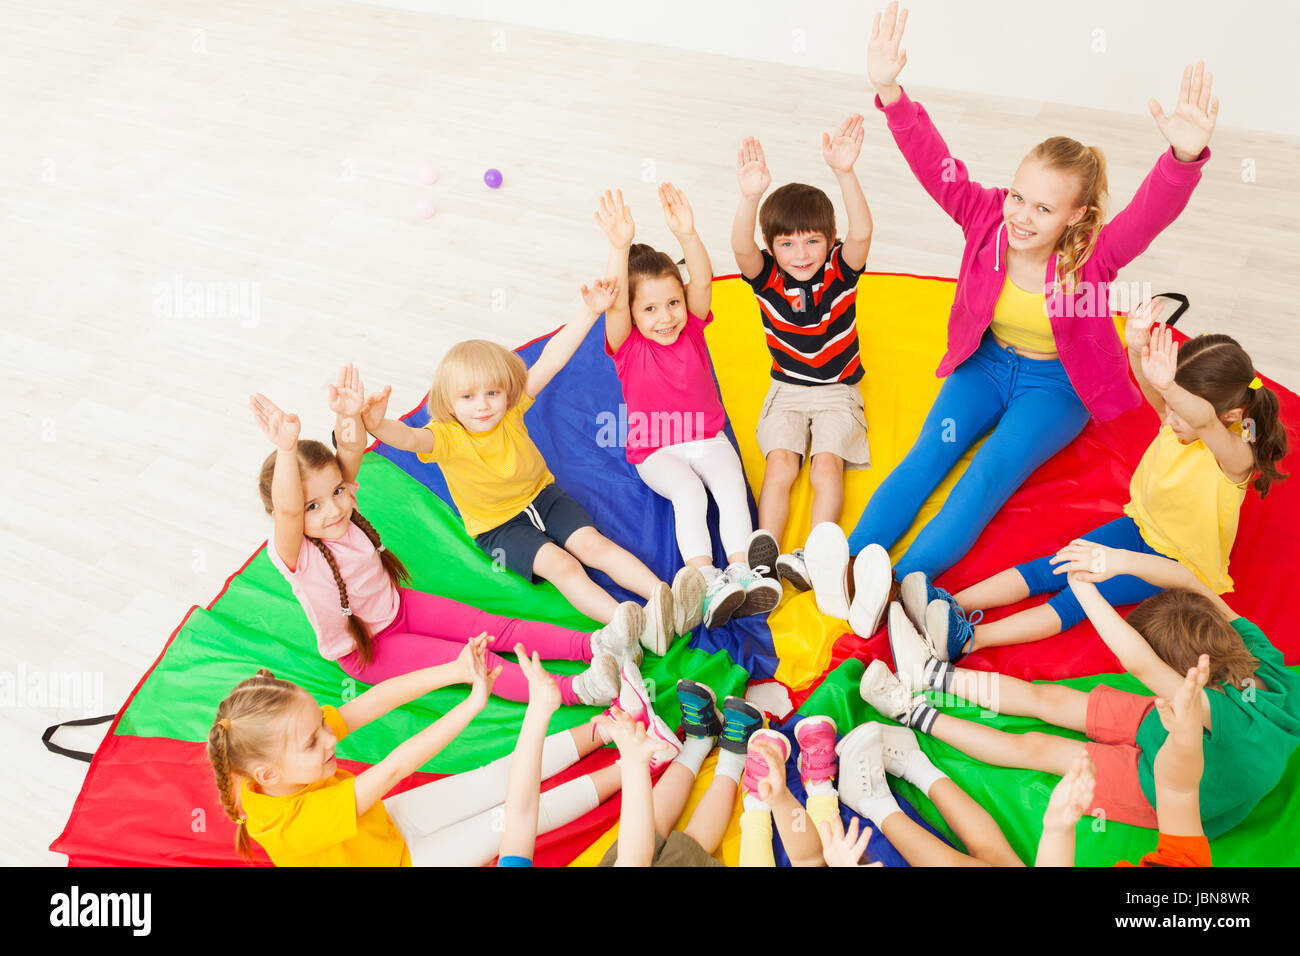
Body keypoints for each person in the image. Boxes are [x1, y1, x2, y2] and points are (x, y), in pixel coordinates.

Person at [815, 3, 1219, 611]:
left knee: (986, 477)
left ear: (1076, 216)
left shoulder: (1096, 254)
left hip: (1055, 387)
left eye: (1044, 209)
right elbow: (937, 167)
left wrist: (1182, 161)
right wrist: (890, 92)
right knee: (931, 453)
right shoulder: (987, 217)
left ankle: (896, 584)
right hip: (985, 364)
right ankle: (845, 563)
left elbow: (1149, 214)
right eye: (1019, 197)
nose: (1023, 216)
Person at [912, 308, 1286, 660]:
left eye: (1178, 407)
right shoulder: (1179, 420)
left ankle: (970, 640)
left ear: (1231, 416)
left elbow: (1201, 420)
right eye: (1169, 406)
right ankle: (949, 604)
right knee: (1053, 566)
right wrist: (1137, 349)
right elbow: (1164, 400)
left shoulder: (1236, 456)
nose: (1168, 415)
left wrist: (1171, 388)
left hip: (1173, 561)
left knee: (1078, 595)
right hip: (1139, 526)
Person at [359, 282, 700, 658]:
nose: (484, 406)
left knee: (593, 545)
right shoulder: (444, 437)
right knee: (563, 566)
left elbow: (551, 360)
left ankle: (662, 598)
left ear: (506, 391)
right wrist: (377, 424)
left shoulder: (511, 409)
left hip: (543, 496)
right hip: (499, 527)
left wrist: (590, 311)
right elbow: (407, 439)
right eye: (468, 397)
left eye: (492, 393)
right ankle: (629, 624)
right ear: (449, 403)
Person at [251, 372, 633, 705]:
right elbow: (287, 510)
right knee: (479, 660)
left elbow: (349, 448)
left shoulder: (341, 504)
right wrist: (286, 448)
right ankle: (577, 689)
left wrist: (347, 413)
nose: (334, 510)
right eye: (312, 507)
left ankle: (593, 645)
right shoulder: (295, 554)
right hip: (371, 651)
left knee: (496, 628)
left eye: (336, 492)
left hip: (400, 606)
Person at [861, 549, 1300, 839]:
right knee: (1048, 700)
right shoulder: (1256, 653)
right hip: (1193, 733)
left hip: (1180, 789)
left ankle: (911, 711)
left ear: (1188, 680)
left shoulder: (1209, 708)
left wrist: (1085, 589)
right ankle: (933, 675)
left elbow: (1140, 663)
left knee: (1036, 747)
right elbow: (1189, 580)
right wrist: (1118, 560)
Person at [207, 636, 623, 866]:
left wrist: (455, 671)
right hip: (407, 862)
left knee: (497, 779)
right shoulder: (294, 825)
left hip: (386, 825)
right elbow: (394, 768)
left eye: (320, 724)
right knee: (519, 819)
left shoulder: (279, 759)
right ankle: (634, 764)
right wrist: (471, 703)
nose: (329, 737)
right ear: (268, 775)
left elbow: (373, 701)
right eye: (313, 741)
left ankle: (606, 728)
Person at [597, 184, 774, 631]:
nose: (666, 317)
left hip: (706, 436)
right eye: (651, 309)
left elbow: (701, 281)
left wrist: (689, 236)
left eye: (672, 303)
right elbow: (616, 301)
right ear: (634, 314)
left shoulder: (692, 327)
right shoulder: (626, 346)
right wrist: (619, 246)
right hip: (655, 453)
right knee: (690, 494)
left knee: (732, 484)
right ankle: (705, 576)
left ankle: (739, 571)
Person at [731, 116, 875, 601]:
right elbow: (738, 246)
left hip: (837, 390)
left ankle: (818, 553)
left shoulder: (840, 269)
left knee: (826, 465)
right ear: (770, 248)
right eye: (787, 244)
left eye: (812, 240)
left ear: (829, 238)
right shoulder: (765, 276)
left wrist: (845, 173)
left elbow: (862, 231)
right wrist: (751, 197)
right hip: (787, 390)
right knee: (780, 467)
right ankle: (764, 557)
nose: (800, 253)